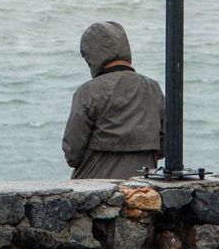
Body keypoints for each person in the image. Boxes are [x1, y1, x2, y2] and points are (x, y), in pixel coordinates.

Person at [62, 21, 164, 179]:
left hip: (94, 189)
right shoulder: (152, 89)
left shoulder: (88, 92)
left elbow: (72, 153)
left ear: (93, 55)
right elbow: (165, 146)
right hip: (143, 189)